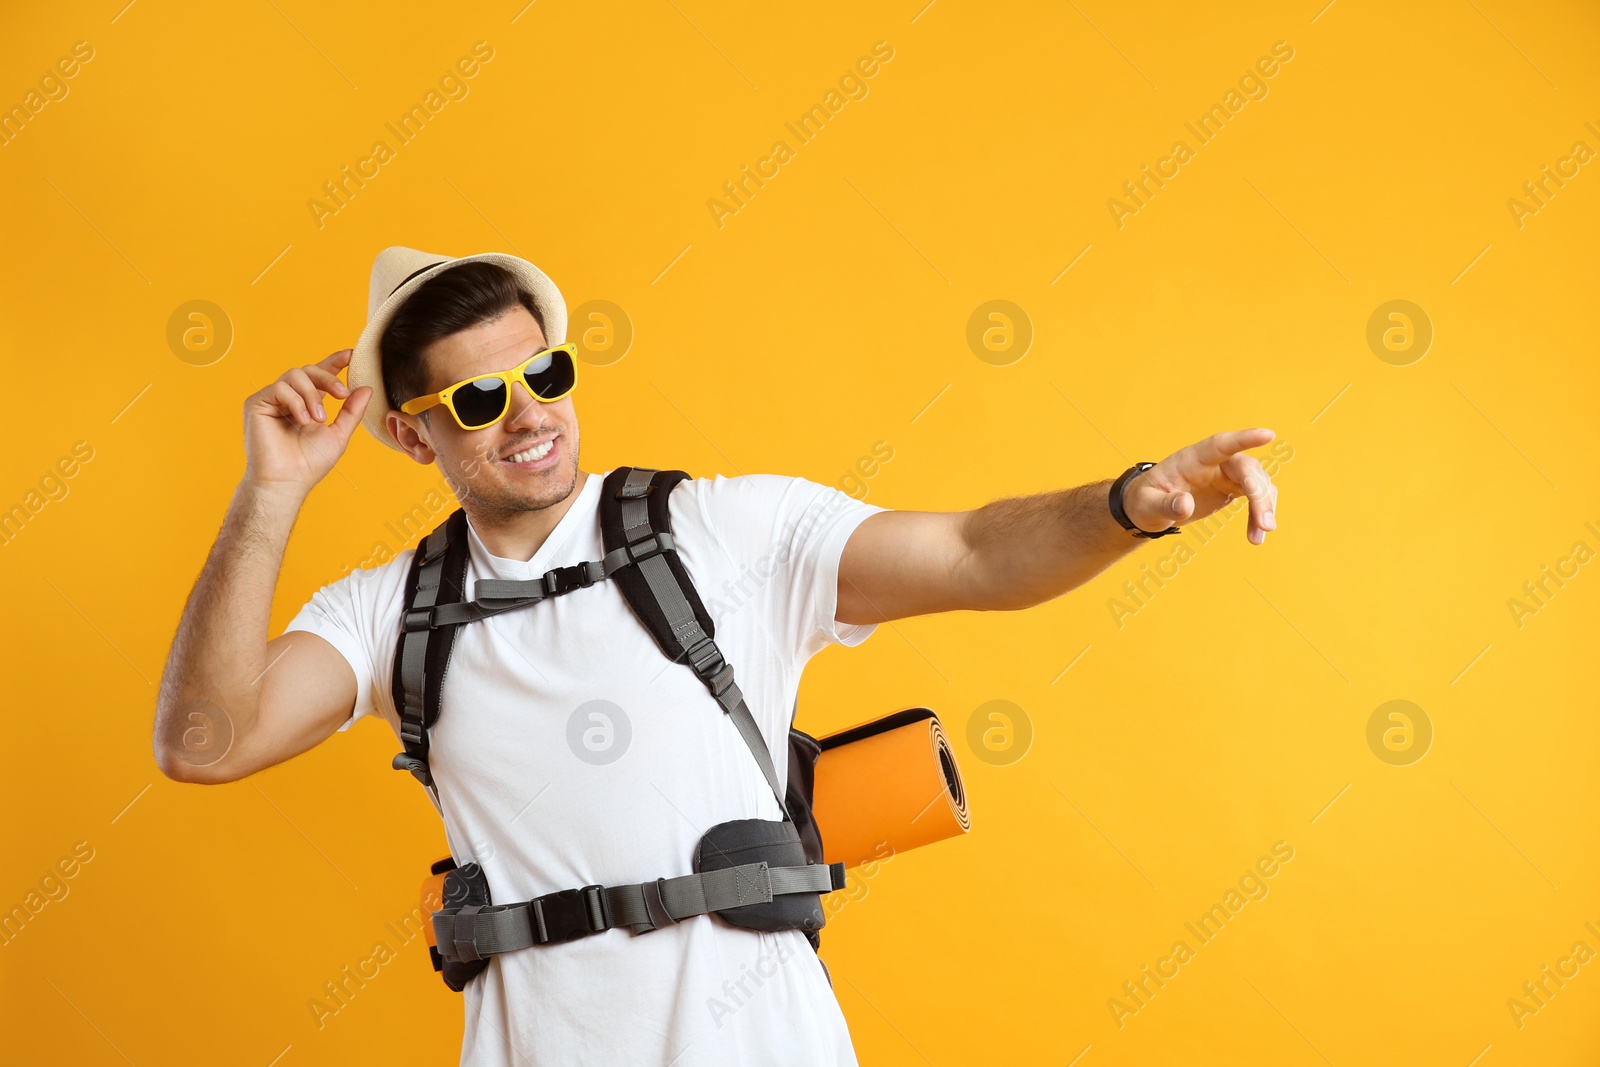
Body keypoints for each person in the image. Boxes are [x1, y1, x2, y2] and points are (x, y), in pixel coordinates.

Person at [152, 247, 1281, 1066]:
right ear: (411, 432)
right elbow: (204, 744)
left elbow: (975, 551)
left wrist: (1130, 502)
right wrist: (272, 494)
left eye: (544, 373)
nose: (529, 414)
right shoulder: (388, 610)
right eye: (478, 397)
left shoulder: (724, 530)